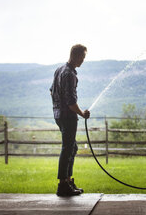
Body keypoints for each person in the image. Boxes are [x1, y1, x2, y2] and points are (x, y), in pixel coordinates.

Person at [50, 44, 90, 196]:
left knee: (72, 148)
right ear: (77, 55)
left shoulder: (59, 70)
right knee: (67, 149)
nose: (83, 61)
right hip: (68, 117)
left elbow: (51, 91)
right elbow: (71, 101)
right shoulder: (70, 74)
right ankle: (62, 185)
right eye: (83, 57)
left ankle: (68, 181)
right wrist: (82, 114)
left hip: (59, 115)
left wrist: (56, 108)